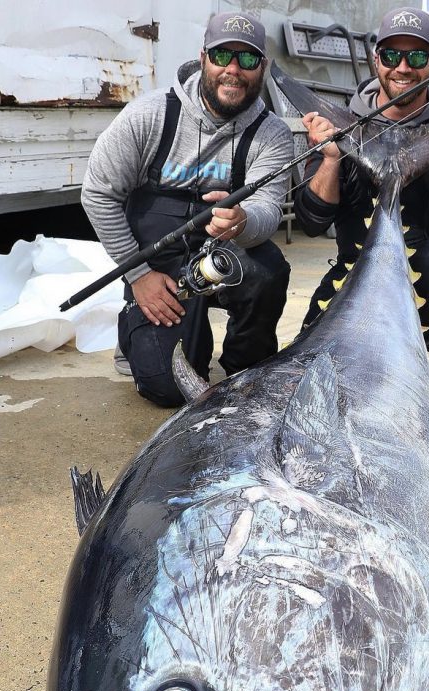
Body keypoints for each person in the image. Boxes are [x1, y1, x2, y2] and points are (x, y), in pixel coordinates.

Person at [82, 12, 293, 406]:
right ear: (203, 58)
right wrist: (139, 275)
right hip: (158, 253)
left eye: (248, 60)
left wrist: (244, 220)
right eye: (222, 56)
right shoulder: (149, 115)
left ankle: (246, 366)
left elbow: (267, 208)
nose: (234, 70)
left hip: (222, 246)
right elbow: (98, 194)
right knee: (169, 388)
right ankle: (136, 325)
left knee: (268, 269)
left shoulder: (273, 134)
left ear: (262, 67)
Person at [294, 6, 429, 371]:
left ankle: (418, 369)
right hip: (353, 267)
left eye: (416, 56)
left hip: (421, 272)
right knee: (304, 369)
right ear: (376, 59)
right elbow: (311, 222)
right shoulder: (335, 127)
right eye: (391, 55)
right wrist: (332, 158)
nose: (403, 67)